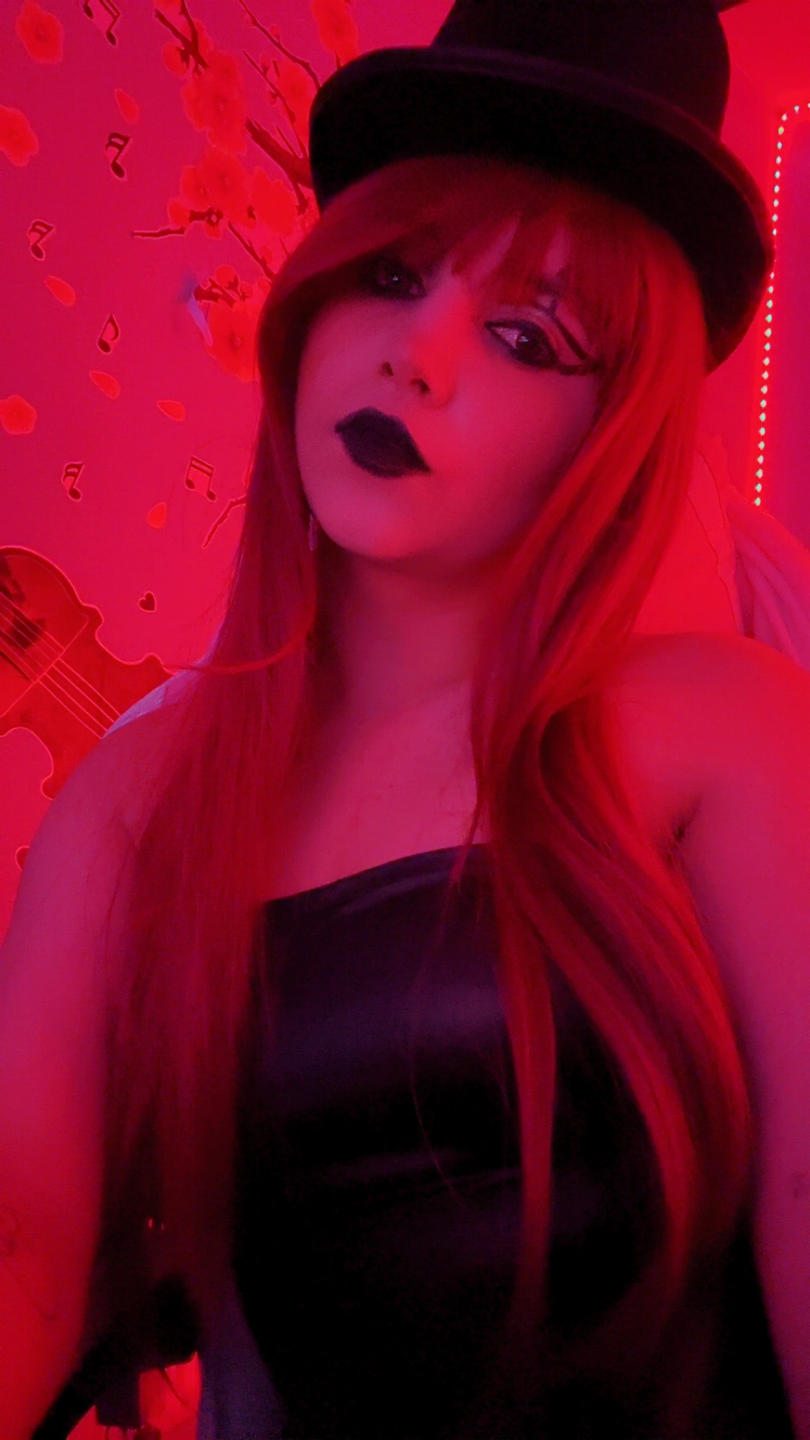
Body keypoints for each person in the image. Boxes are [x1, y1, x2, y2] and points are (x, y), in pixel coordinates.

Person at [2, 0, 809, 1436]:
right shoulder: (140, 796)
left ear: (609, 429)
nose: (415, 356)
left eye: (526, 336)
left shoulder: (723, 729)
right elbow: (25, 1237)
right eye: (390, 274)